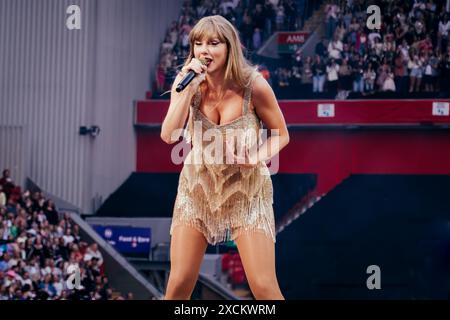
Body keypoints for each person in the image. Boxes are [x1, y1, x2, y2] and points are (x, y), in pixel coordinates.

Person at [160, 15, 289, 300]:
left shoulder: (252, 84)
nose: (204, 50)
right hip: (198, 188)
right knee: (179, 283)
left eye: (213, 43)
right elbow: (169, 135)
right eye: (198, 43)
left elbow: (281, 134)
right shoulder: (187, 84)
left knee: (264, 286)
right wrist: (184, 92)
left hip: (246, 189)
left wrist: (255, 158)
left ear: (229, 47)